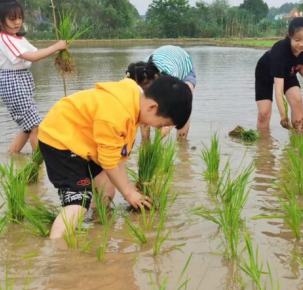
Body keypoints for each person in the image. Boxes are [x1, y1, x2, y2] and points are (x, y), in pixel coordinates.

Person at [38, 75, 192, 239]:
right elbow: (108, 161)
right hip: (60, 140)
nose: (159, 128)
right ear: (152, 107)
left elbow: (119, 156)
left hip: (85, 140)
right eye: (162, 124)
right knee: (78, 203)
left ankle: (98, 225)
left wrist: (127, 185)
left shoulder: (134, 105)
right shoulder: (117, 114)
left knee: (107, 190)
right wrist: (127, 193)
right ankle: (57, 252)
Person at [0, 0, 67, 154]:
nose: (17, 22)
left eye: (19, 17)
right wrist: (56, 46)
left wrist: (58, 50)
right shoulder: (5, 40)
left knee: (27, 127)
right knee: (36, 126)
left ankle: (12, 156)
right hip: (12, 82)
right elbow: (32, 57)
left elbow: (37, 53)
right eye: (12, 19)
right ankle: (38, 164)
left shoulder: (17, 38)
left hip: (20, 80)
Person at [255, 17, 303, 133]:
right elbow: (279, 90)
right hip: (265, 73)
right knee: (264, 113)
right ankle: (263, 146)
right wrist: (283, 115)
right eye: (297, 39)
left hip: (288, 72)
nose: (302, 45)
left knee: (297, 100)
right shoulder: (280, 51)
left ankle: (298, 140)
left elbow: (302, 68)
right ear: (289, 35)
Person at [125, 44, 196, 139]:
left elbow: (175, 107)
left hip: (183, 62)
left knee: (184, 104)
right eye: (142, 89)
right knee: (143, 105)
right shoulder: (139, 73)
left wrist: (165, 126)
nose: (145, 91)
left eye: (146, 87)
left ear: (155, 79)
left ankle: (182, 144)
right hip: (164, 57)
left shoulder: (170, 79)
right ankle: (145, 142)